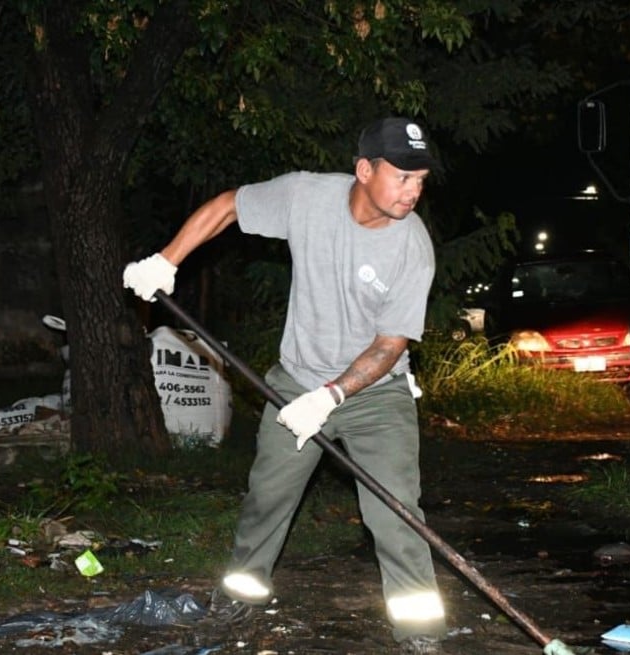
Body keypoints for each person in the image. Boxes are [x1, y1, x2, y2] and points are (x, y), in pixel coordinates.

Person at [122, 117, 447, 653]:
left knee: (395, 510)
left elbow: (390, 346)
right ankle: (241, 602)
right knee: (266, 499)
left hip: (374, 394)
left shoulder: (413, 247)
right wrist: (166, 260)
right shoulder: (306, 197)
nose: (413, 192)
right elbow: (228, 206)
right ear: (363, 170)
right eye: (402, 177)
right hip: (296, 379)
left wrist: (332, 396)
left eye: (421, 180)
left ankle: (419, 633)